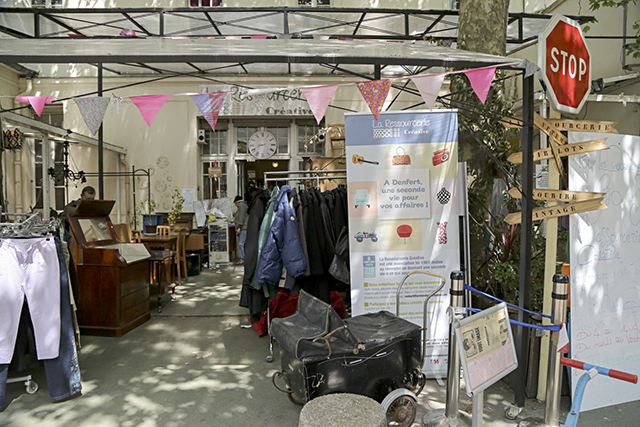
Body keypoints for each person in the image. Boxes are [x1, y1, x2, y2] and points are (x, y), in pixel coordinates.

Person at [233, 195, 248, 265]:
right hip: (244, 228)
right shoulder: (244, 206)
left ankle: (243, 258)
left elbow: (241, 217)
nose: (235, 205)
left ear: (237, 202)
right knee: (243, 243)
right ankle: (244, 258)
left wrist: (239, 227)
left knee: (241, 244)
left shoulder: (242, 206)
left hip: (243, 228)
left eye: (235, 204)